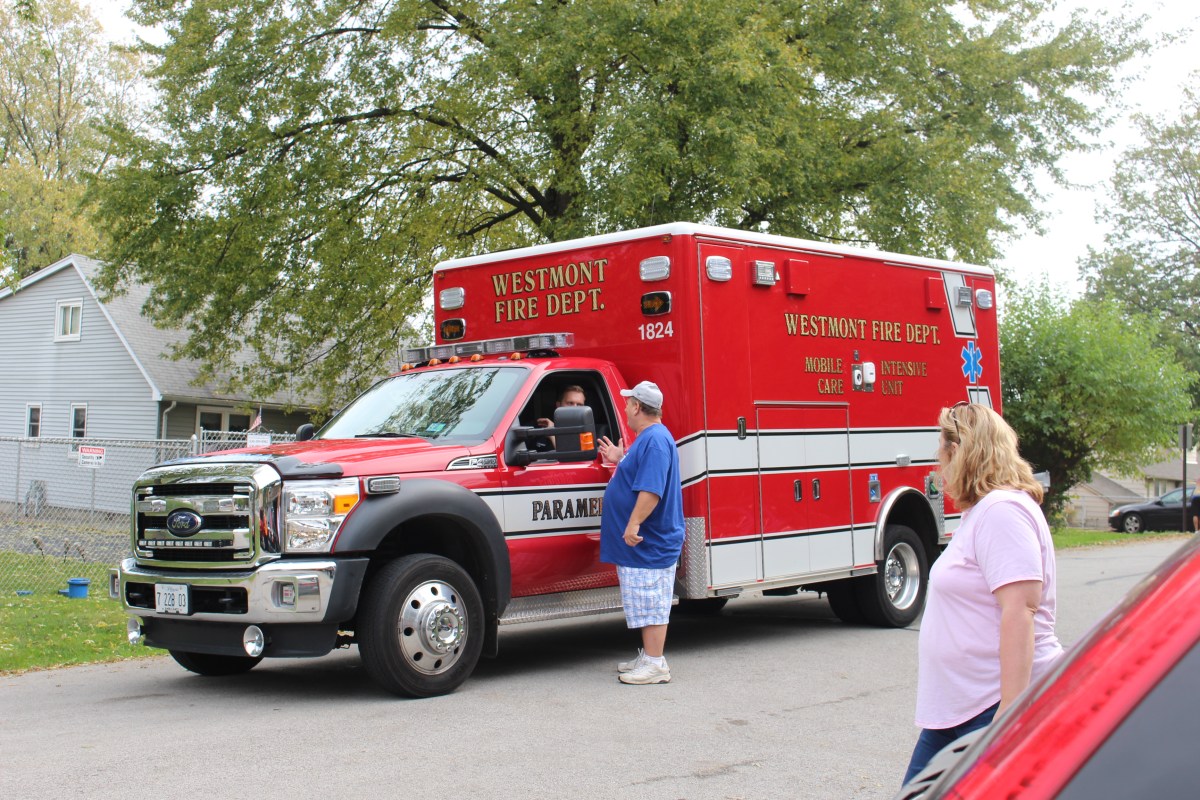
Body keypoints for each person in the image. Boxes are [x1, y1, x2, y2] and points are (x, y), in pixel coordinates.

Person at [903, 402, 1064, 785]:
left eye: (942, 449)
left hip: (990, 707)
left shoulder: (1002, 511)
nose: (938, 462)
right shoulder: (983, 513)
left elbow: (1021, 609)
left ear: (959, 450)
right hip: (961, 710)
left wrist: (1009, 714)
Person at [597, 380, 685, 685]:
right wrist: (620, 459)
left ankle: (656, 664)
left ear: (637, 406)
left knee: (652, 601)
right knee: (645, 600)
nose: (624, 408)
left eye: (627, 403)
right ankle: (649, 656)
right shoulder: (649, 439)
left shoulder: (655, 440)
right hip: (645, 543)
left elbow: (651, 489)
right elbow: (640, 474)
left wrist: (633, 523)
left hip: (650, 540)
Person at [533, 385, 587, 450]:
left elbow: (569, 455)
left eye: (579, 405)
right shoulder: (542, 427)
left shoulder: (587, 432)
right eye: (570, 403)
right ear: (558, 405)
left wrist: (552, 433)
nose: (575, 408)